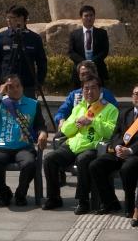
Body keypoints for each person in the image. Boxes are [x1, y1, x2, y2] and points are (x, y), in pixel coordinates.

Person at [41, 76, 118, 213]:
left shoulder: (109, 108)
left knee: (82, 160)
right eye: (86, 88)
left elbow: (110, 132)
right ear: (82, 91)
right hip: (72, 145)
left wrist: (92, 121)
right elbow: (65, 130)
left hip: (92, 147)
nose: (89, 91)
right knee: (49, 159)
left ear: (100, 90)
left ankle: (83, 201)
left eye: (93, 88)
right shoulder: (79, 107)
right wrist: (75, 122)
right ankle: (54, 198)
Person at [88, 83, 138, 215]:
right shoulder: (125, 113)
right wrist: (117, 146)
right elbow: (116, 134)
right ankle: (110, 202)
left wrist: (130, 150)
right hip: (119, 152)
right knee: (95, 165)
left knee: (127, 168)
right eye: (136, 94)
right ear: (132, 96)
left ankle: (131, 205)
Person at [0, 75, 45, 206]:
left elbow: (40, 125)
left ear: (22, 87)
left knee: (29, 164)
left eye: (18, 86)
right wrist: (0, 94)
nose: (15, 89)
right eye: (10, 87)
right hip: (2, 147)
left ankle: (20, 194)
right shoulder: (0, 103)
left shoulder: (33, 104)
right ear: (5, 88)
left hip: (24, 147)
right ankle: (4, 194)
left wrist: (43, 133)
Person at [0, 5, 47, 99]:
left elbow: (42, 62)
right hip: (6, 83)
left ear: (21, 18)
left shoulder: (34, 38)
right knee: (5, 111)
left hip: (27, 85)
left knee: (28, 111)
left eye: (12, 18)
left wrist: (40, 82)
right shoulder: (2, 37)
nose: (8, 20)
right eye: (7, 18)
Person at [52, 60, 119, 124]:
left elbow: (116, 115)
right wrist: (61, 120)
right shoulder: (74, 95)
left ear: (95, 74)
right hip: (76, 131)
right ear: (79, 77)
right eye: (82, 74)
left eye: (88, 73)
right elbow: (61, 112)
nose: (85, 77)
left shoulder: (106, 94)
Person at [67, 4, 110, 85]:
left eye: (91, 15)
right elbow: (71, 52)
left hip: (98, 69)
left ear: (94, 17)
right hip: (79, 70)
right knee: (79, 95)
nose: (89, 18)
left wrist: (92, 62)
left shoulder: (102, 33)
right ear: (81, 18)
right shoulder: (74, 34)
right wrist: (83, 62)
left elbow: (105, 50)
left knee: (98, 94)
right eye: (86, 16)